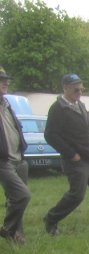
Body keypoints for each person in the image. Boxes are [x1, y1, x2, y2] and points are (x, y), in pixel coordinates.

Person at [43, 73, 89, 235]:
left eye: (81, 88)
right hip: (76, 160)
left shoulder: (80, 105)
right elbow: (50, 135)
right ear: (65, 88)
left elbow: (87, 132)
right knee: (77, 195)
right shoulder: (58, 108)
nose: (80, 91)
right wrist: (71, 154)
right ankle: (51, 219)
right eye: (76, 88)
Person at [0, 67, 31, 245]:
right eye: (1, 80)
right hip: (3, 161)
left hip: (19, 159)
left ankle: (16, 233)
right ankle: (8, 229)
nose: (6, 83)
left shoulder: (6, 104)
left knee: (15, 199)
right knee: (22, 195)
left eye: (6, 79)